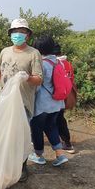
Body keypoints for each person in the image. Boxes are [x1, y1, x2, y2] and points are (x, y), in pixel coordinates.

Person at [0, 18, 43, 182]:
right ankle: (6, 165)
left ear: (27, 35)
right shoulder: (5, 52)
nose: (18, 35)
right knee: (2, 135)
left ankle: (22, 168)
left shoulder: (33, 54)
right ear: (10, 34)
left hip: (23, 103)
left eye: (21, 32)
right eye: (15, 32)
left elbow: (39, 79)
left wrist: (27, 77)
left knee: (20, 137)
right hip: (4, 101)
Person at [28, 36, 69, 167]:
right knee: (51, 127)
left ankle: (38, 155)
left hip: (42, 105)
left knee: (36, 129)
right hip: (57, 103)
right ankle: (60, 154)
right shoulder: (58, 62)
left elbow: (37, 86)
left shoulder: (41, 64)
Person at [54, 44, 76, 154]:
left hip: (55, 97)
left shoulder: (55, 63)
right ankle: (67, 143)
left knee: (54, 119)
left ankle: (65, 144)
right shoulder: (67, 63)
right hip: (65, 96)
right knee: (60, 118)